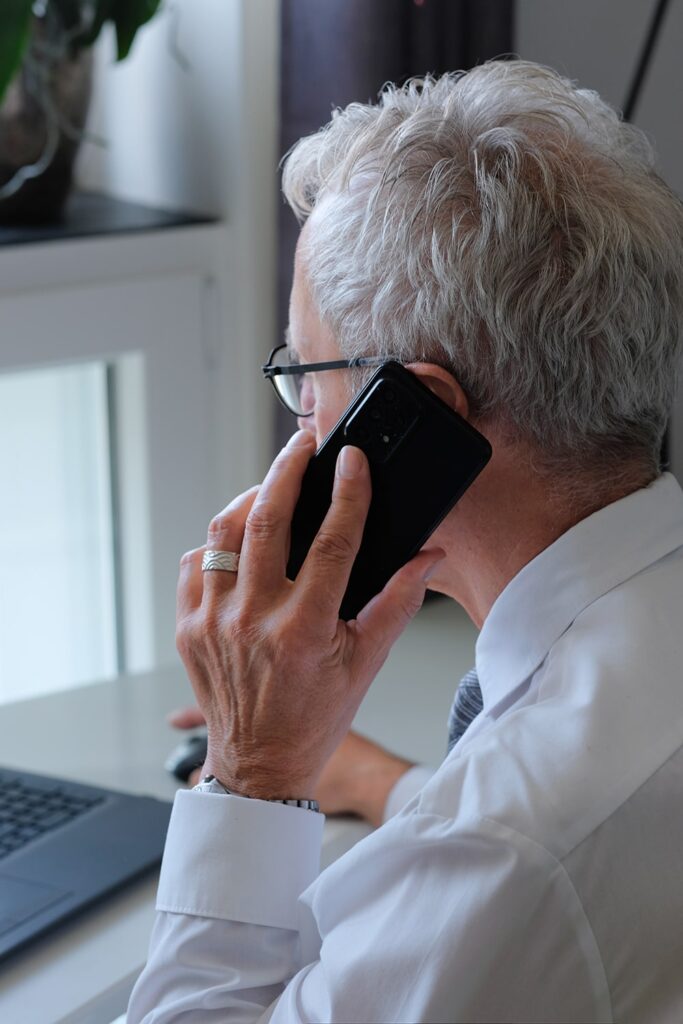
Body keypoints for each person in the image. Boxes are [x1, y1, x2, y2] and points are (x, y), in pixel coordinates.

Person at [128, 60, 683, 1023]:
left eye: (308, 374)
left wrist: (253, 778)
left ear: (414, 416)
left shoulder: (509, 846)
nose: (301, 417)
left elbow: (531, 852)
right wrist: (393, 788)